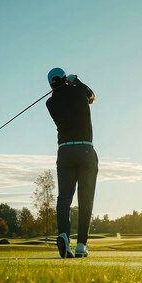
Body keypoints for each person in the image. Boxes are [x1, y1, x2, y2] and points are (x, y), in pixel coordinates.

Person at [46, 67, 98, 258]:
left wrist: (64, 85)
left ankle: (63, 236)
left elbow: (61, 95)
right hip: (85, 150)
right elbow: (92, 96)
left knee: (64, 199)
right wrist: (76, 80)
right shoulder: (78, 90)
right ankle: (81, 245)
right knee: (85, 200)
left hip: (65, 152)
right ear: (64, 79)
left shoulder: (50, 102)